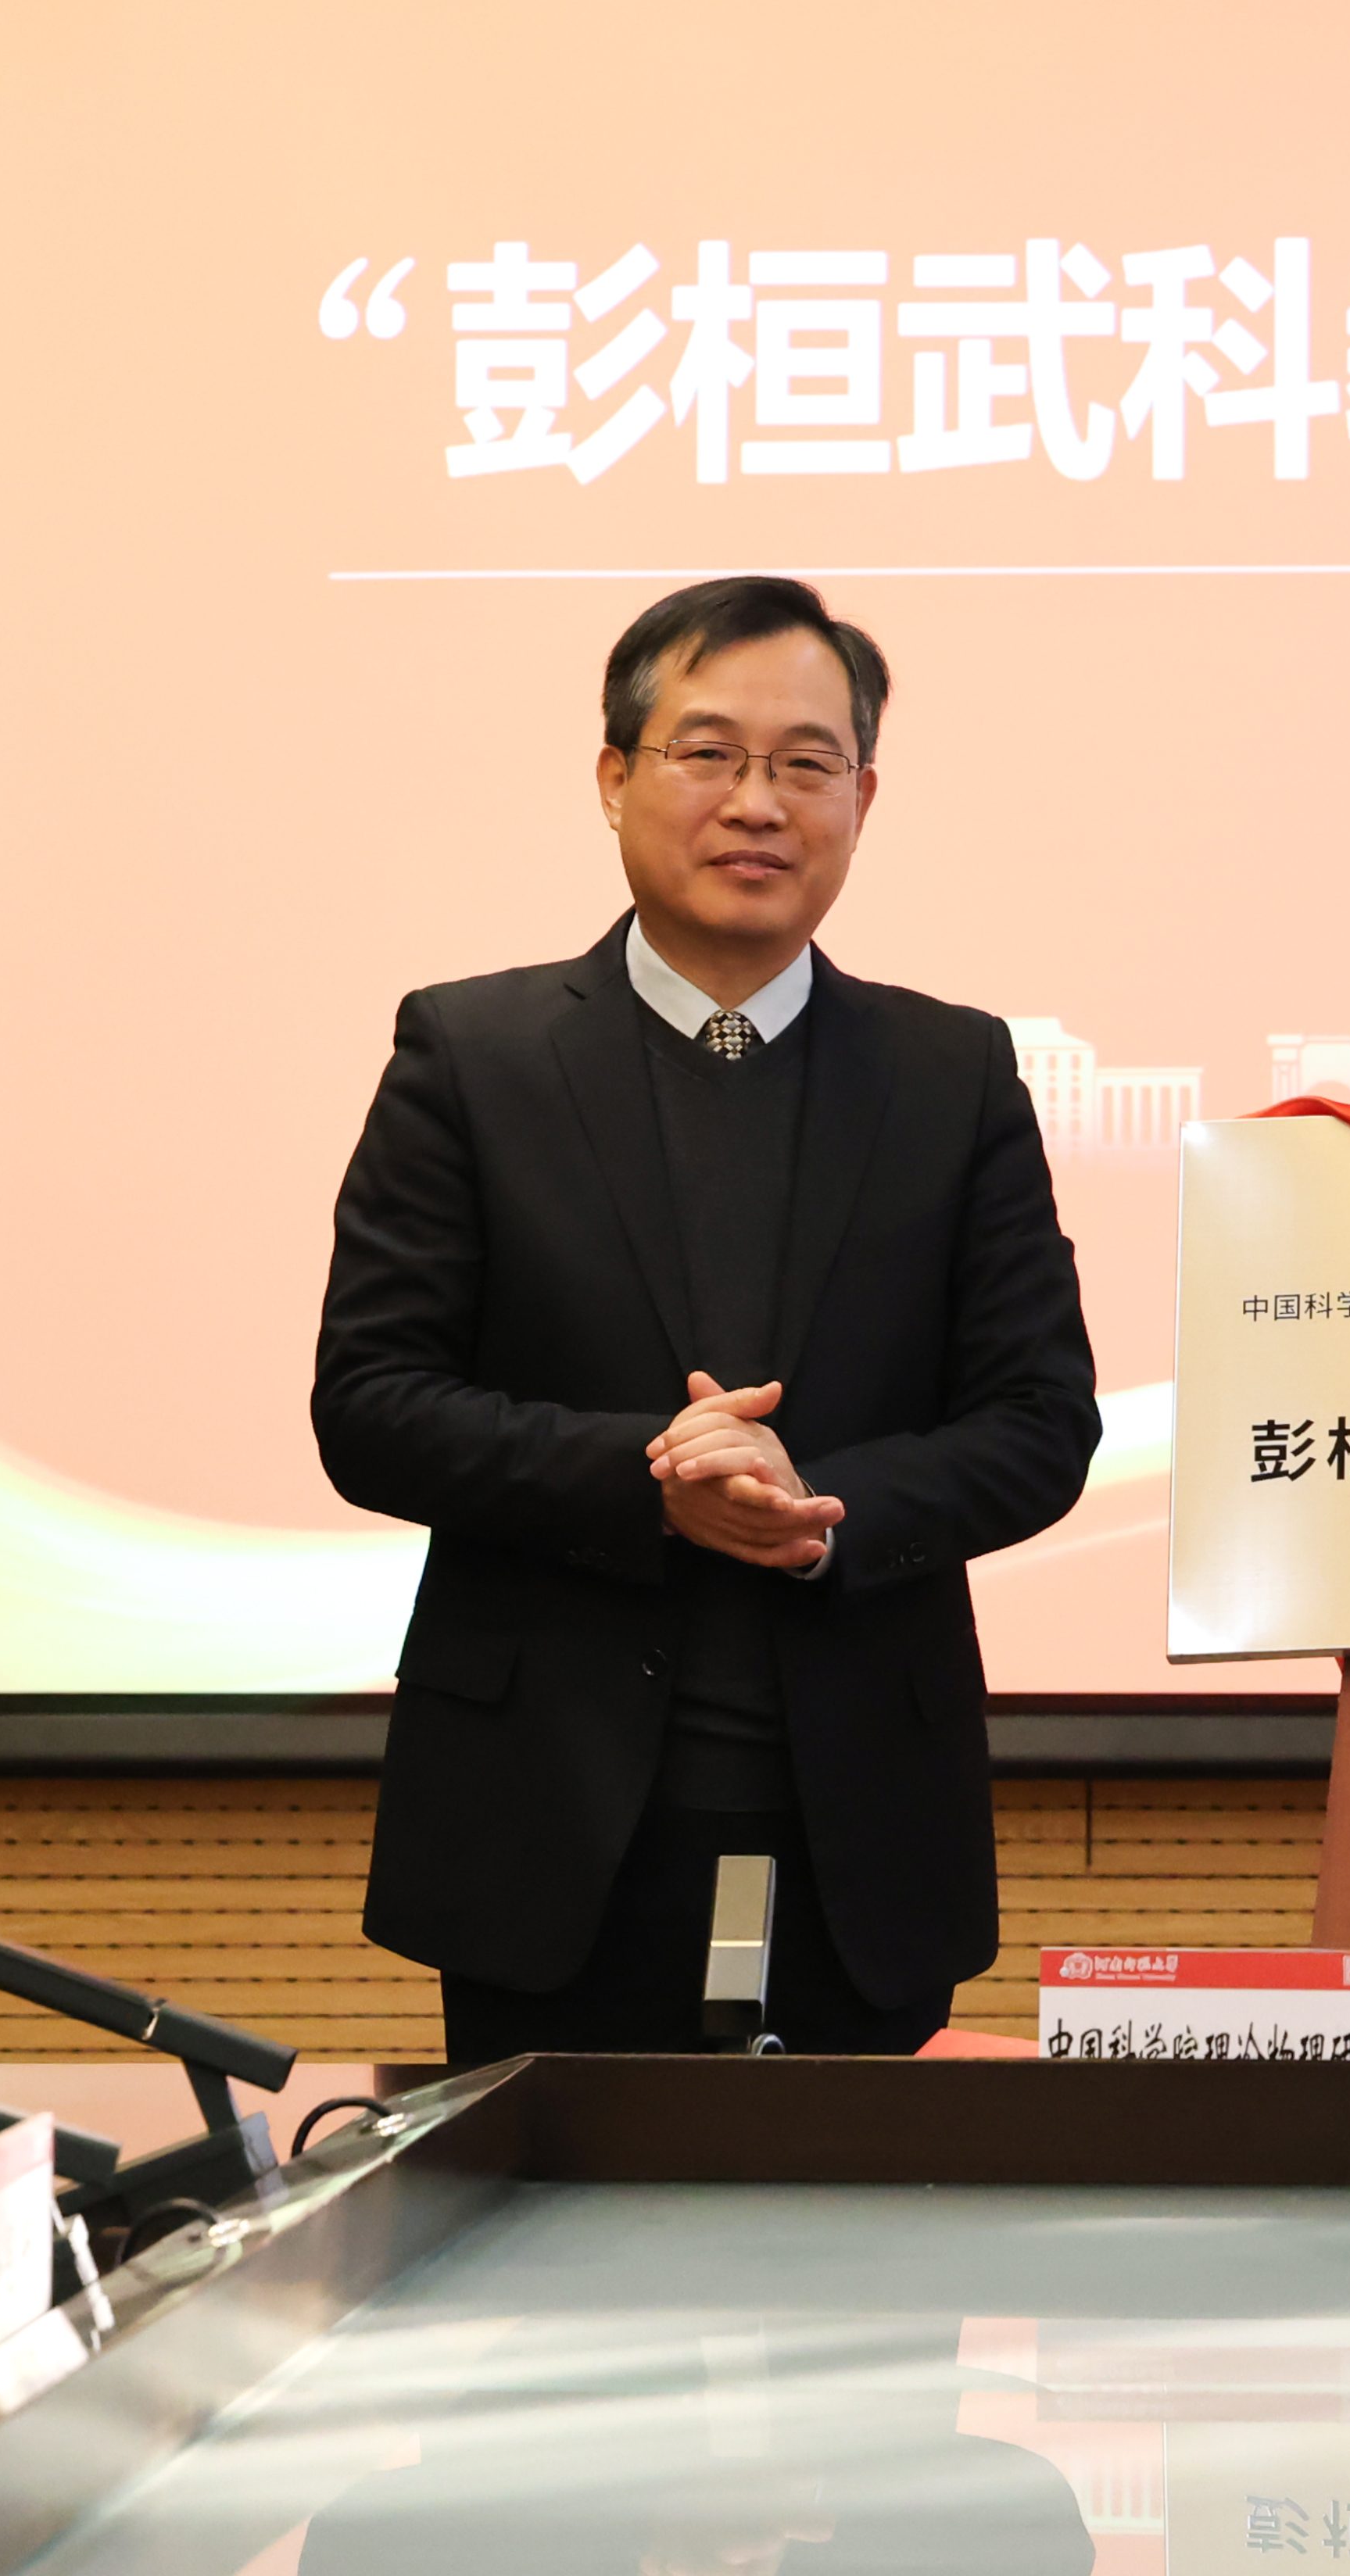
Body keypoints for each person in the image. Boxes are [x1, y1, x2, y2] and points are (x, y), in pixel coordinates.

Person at [312, 574, 1101, 2063]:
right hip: (543, 1819)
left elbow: (1041, 1424)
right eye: (710, 753)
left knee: (861, 2219)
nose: (759, 802)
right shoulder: (473, 1056)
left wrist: (822, 1513)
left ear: (863, 799)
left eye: (807, 762)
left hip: (862, 1814)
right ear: (615, 777)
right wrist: (651, 1481)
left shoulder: (950, 1075)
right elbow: (372, 1405)